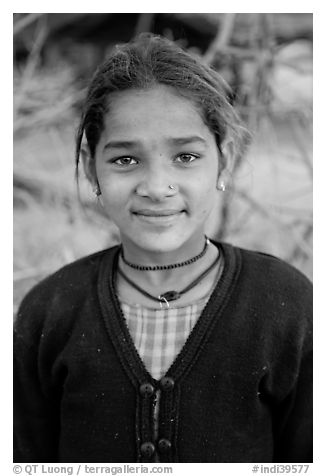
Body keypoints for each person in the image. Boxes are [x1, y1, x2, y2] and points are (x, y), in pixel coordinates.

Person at [14, 33, 312, 463]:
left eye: (186, 157)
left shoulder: (287, 305)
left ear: (223, 160)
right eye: (125, 160)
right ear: (89, 167)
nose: (156, 188)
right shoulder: (50, 312)